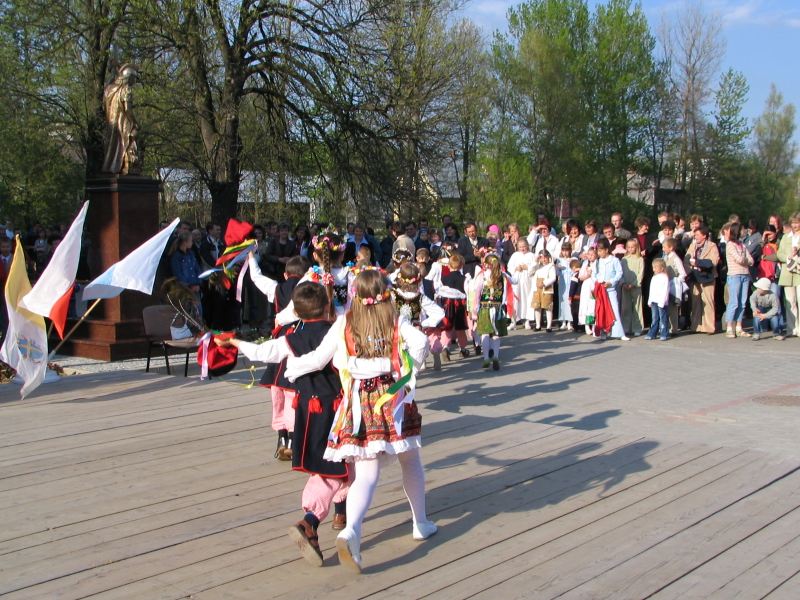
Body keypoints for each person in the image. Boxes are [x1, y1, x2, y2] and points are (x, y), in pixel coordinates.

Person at [284, 269, 434, 573]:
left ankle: (351, 529)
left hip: (359, 401)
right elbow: (420, 343)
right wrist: (407, 368)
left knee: (366, 474)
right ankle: (420, 523)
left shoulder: (345, 322)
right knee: (410, 460)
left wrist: (293, 369)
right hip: (393, 398)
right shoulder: (396, 319)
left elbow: (320, 358)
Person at [216, 282, 350, 566]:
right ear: (327, 306)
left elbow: (262, 353)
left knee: (332, 467)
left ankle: (337, 515)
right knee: (340, 467)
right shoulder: (338, 332)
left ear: (296, 312)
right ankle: (314, 520)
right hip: (336, 410)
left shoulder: (293, 338)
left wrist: (234, 341)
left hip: (307, 410)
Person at [249, 253, 310, 460]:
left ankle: (282, 438)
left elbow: (257, 278)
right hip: (299, 343)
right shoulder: (309, 289)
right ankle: (293, 440)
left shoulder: (277, 289)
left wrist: (251, 259)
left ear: (285, 275)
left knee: (278, 393)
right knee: (292, 393)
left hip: (278, 346)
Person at [390, 262, 445, 368]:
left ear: (400, 279)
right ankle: (411, 374)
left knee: (398, 360)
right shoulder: (420, 298)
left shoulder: (393, 295)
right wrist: (423, 323)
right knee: (412, 360)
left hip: (396, 331)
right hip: (414, 331)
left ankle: (404, 375)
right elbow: (439, 313)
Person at [472, 253, 515, 370]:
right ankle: (495, 356)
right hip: (498, 308)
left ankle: (486, 357)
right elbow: (514, 281)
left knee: (485, 334)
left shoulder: (482, 276)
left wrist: (475, 309)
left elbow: (476, 291)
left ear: (486, 264)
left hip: (485, 308)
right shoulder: (502, 275)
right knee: (496, 335)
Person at [684, 224, 720, 334]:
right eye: (695, 235)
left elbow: (713, 262)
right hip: (694, 277)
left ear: (704, 235)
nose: (695, 237)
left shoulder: (712, 246)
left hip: (707, 277)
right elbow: (686, 259)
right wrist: (691, 266)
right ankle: (696, 326)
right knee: (695, 302)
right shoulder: (693, 245)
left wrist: (698, 263)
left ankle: (709, 327)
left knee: (708, 302)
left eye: (697, 235)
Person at [722, 222, 753, 338]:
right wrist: (745, 260)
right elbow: (739, 259)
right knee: (733, 302)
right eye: (742, 229)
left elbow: (751, 260)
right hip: (734, 275)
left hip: (745, 275)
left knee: (743, 302)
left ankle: (739, 327)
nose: (744, 231)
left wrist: (745, 260)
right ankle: (729, 327)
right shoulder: (730, 245)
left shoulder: (742, 244)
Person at [438, 253, 471, 358]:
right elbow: (467, 292)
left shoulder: (444, 278)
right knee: (460, 328)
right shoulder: (464, 279)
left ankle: (445, 347)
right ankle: (463, 348)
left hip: (446, 305)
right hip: (459, 305)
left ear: (448, 265)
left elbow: (440, 292)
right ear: (461, 266)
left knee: (447, 327)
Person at [594, 238, 629, 340]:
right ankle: (604, 331)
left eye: (600, 250)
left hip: (611, 290)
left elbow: (619, 273)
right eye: (598, 251)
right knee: (602, 311)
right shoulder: (598, 261)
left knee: (614, 310)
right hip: (601, 290)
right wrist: (599, 281)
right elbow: (595, 274)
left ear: (606, 250)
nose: (599, 253)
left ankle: (619, 333)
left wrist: (611, 282)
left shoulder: (614, 260)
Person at [777, 212, 800, 337]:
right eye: (793, 223)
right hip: (787, 272)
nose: (795, 225)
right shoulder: (786, 237)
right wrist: (788, 257)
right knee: (790, 302)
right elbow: (779, 254)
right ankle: (792, 329)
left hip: (799, 272)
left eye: (797, 222)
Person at [506, 239, 536, 329]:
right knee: (515, 300)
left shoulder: (531, 255)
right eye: (520, 247)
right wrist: (516, 268)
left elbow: (535, 266)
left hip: (527, 280)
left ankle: (527, 321)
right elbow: (509, 266)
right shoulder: (515, 255)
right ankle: (513, 321)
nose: (522, 248)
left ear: (527, 246)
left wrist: (527, 267)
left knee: (527, 299)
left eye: (524, 246)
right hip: (517, 280)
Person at [662, 238, 688, 335]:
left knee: (673, 308)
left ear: (671, 247)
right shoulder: (666, 257)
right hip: (665, 286)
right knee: (666, 307)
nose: (663, 249)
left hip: (673, 286)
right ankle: (667, 327)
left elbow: (683, 273)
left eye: (664, 247)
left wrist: (675, 282)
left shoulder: (676, 259)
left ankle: (674, 329)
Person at [620, 238, 644, 337]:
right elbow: (620, 273)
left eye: (632, 247)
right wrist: (623, 283)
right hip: (625, 286)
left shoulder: (640, 259)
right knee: (625, 307)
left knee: (637, 307)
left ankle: (637, 327)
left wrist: (634, 284)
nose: (630, 249)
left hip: (636, 287)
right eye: (628, 247)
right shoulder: (624, 259)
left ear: (636, 247)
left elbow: (640, 273)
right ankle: (626, 327)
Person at [530, 250, 556, 332]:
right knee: (537, 307)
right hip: (537, 289)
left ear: (549, 258)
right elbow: (530, 272)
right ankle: (538, 325)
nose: (544, 259)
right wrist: (535, 262)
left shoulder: (551, 266)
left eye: (545, 257)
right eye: (541, 258)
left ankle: (549, 326)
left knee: (548, 307)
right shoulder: (537, 266)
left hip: (546, 288)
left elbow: (553, 277)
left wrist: (544, 283)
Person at [644, 258, 669, 341]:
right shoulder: (654, 278)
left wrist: (663, 301)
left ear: (662, 268)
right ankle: (652, 333)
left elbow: (665, 290)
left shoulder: (665, 277)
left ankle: (664, 333)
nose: (654, 269)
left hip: (661, 301)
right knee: (654, 318)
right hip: (654, 301)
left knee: (663, 318)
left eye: (656, 267)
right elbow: (651, 290)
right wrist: (649, 300)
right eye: (653, 267)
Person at [555, 242, 574, 330]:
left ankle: (570, 322)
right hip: (562, 282)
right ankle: (563, 321)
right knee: (562, 301)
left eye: (567, 250)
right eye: (563, 251)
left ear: (570, 250)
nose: (565, 253)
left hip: (570, 281)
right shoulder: (559, 260)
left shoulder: (573, 259)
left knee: (569, 301)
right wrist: (557, 268)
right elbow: (557, 273)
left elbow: (574, 271)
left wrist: (571, 265)